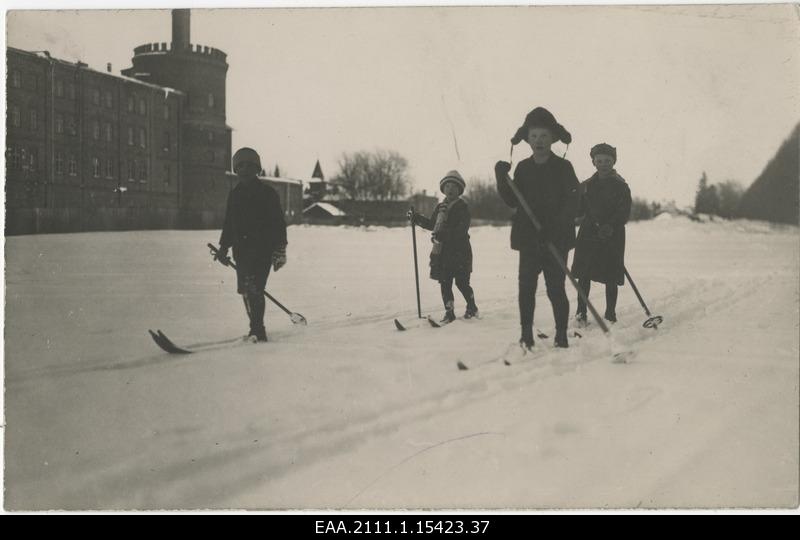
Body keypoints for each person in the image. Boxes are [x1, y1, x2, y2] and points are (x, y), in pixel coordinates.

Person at [494, 107, 579, 349]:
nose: (539, 141)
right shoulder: (522, 168)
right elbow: (513, 200)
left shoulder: (564, 168)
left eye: (544, 136)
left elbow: (573, 202)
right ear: (527, 140)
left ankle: (561, 334)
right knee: (526, 287)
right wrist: (501, 178)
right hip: (529, 238)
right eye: (534, 136)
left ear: (553, 138)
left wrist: (554, 227)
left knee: (555, 288)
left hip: (556, 238)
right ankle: (526, 334)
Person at [214, 147, 287, 342]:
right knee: (246, 290)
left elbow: (278, 223)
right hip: (242, 252)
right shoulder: (235, 194)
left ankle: (257, 330)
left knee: (255, 288)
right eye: (240, 166)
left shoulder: (268, 193)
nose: (244, 170)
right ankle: (255, 329)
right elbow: (229, 223)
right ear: (235, 170)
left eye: (249, 166)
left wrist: (280, 249)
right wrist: (223, 248)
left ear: (257, 169)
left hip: (263, 251)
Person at [571, 143, 632, 325]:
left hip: (612, 234)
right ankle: (581, 312)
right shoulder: (587, 186)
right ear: (593, 162)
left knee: (611, 274)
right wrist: (574, 194)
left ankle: (610, 314)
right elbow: (578, 210)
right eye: (599, 161)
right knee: (584, 273)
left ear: (613, 162)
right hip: (589, 233)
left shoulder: (621, 186)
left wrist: (610, 226)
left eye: (607, 160)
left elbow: (624, 211)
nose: (603, 164)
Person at [408, 170, 479, 323]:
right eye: (447, 186)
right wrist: (417, 219)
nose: (450, 189)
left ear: (459, 190)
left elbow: (461, 230)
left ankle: (472, 307)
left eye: (454, 186)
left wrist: (443, 235)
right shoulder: (440, 207)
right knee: (445, 282)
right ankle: (449, 313)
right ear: (443, 189)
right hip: (442, 252)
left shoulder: (463, 207)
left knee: (461, 283)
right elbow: (433, 225)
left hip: (460, 252)